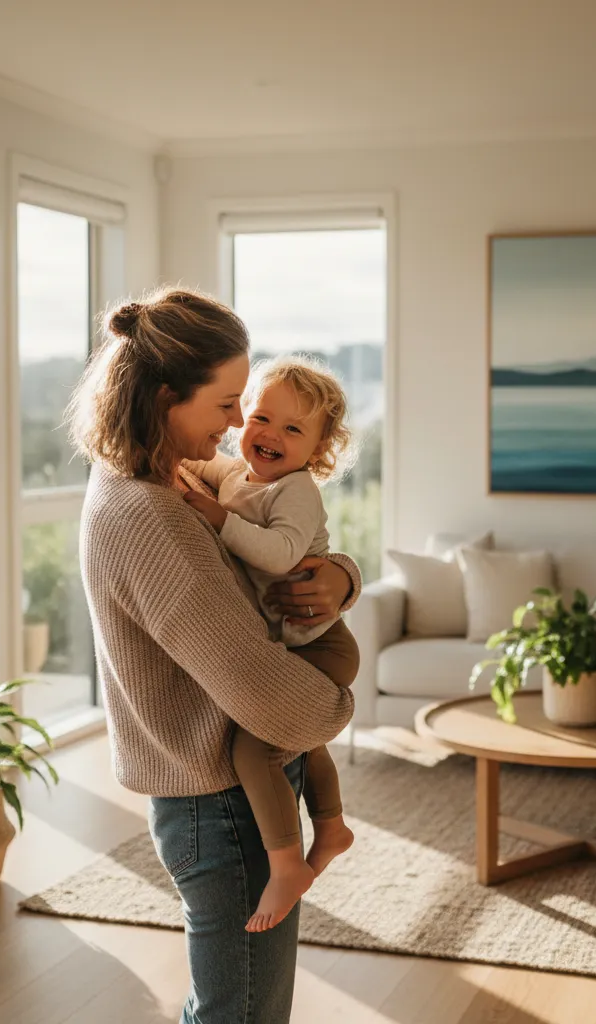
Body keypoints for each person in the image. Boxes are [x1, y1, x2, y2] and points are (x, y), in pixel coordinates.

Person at [68, 286, 359, 1024]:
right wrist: (337, 704)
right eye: (229, 403)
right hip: (222, 803)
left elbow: (269, 558)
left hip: (221, 790)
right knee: (241, 1014)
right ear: (168, 396)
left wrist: (340, 578)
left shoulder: (163, 472)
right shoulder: (151, 512)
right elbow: (259, 685)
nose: (238, 424)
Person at [182, 355, 358, 934]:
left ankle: (287, 863)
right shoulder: (239, 476)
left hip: (323, 643)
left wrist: (215, 518)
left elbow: (282, 555)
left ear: (320, 447)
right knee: (300, 742)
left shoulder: (296, 491)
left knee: (256, 749)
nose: (271, 436)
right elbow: (200, 470)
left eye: (293, 429)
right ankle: (330, 829)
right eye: (261, 418)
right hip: (300, 640)